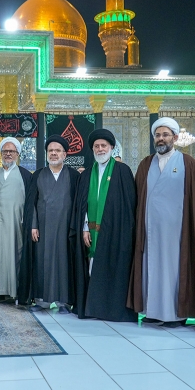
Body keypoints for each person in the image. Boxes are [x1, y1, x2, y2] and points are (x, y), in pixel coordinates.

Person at [128, 117, 195, 327]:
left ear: (176, 138)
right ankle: (152, 311)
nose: (161, 139)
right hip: (150, 232)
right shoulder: (145, 164)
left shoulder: (188, 164)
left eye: (165, 135)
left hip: (179, 233)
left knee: (174, 272)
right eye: (158, 135)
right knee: (151, 270)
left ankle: (175, 315)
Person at [71, 129, 137, 322]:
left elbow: (129, 205)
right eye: (96, 146)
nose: (100, 149)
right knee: (92, 270)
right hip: (91, 233)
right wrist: (84, 228)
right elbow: (81, 205)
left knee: (113, 271)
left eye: (104, 146)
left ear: (111, 148)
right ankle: (93, 309)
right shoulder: (86, 174)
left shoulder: (122, 171)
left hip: (115, 232)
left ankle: (111, 310)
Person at [19, 134, 80, 313]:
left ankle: (64, 302)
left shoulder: (74, 176)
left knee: (64, 263)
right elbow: (31, 203)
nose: (53, 153)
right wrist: (33, 225)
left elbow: (79, 204)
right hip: (42, 229)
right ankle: (41, 301)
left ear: (64, 154)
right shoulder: (38, 174)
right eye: (50, 150)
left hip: (65, 229)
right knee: (41, 262)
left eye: (57, 151)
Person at [0, 137, 32, 300]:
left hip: (17, 225)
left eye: (11, 151)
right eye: (5, 151)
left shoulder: (26, 176)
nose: (8, 154)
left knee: (16, 257)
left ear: (17, 154)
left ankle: (16, 292)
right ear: (1, 154)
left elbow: (31, 203)